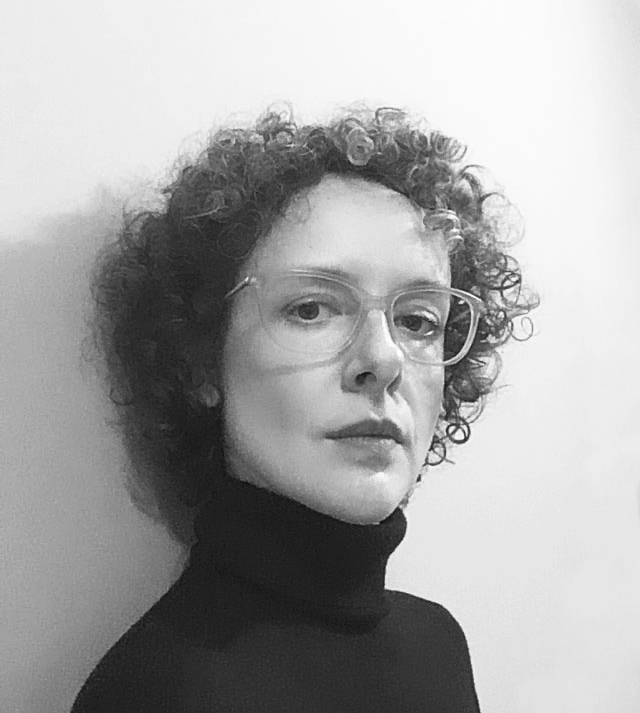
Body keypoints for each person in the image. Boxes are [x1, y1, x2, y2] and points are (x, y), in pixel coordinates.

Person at [73, 105, 537, 712]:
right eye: (312, 309)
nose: (384, 360)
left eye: (419, 320)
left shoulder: (436, 645)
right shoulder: (158, 692)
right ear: (200, 360)